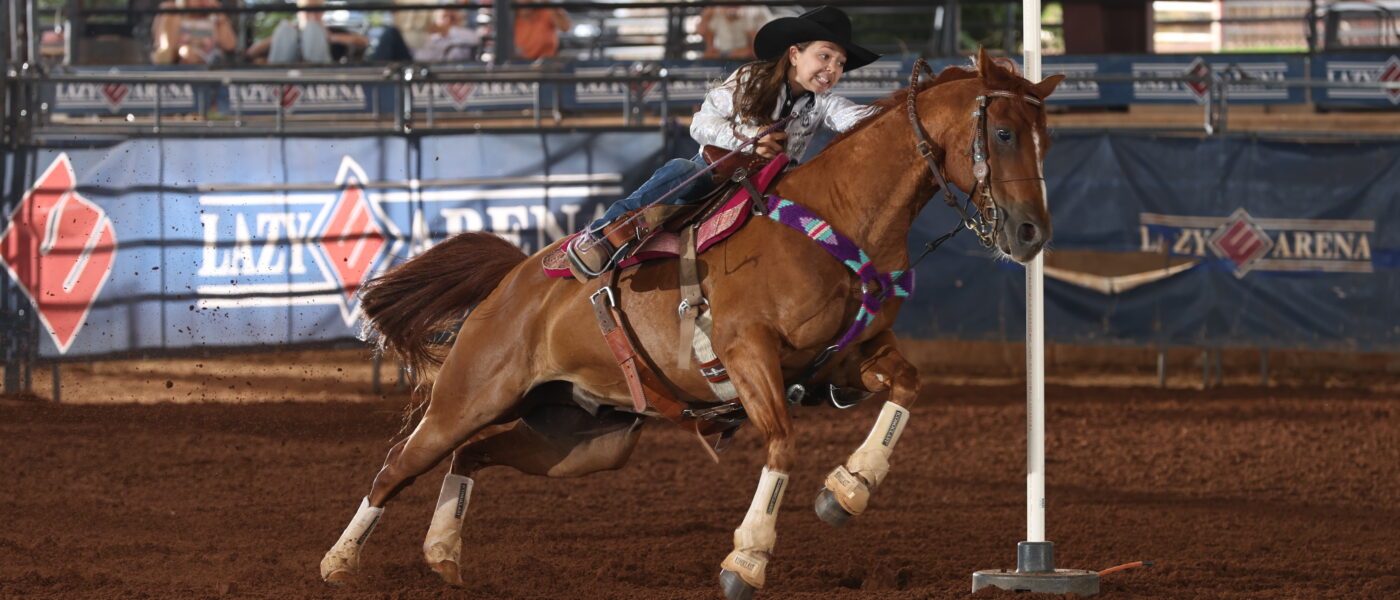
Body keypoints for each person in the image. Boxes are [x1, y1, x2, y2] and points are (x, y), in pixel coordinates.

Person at [565, 5, 880, 279]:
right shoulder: (750, 78)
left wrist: (904, 109)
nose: (832, 69)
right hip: (720, 174)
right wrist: (749, 143)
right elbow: (702, 123)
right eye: (825, 56)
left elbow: (858, 118)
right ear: (795, 54)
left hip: (773, 189)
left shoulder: (825, 105)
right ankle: (600, 235)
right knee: (683, 172)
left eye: (840, 63)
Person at [245, 0, 369, 64]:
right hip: (285, 72)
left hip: (320, 75)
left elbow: (363, 42)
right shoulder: (289, 32)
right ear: (300, 12)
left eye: (317, 11)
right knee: (285, 28)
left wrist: (331, 37)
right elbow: (251, 53)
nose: (312, 15)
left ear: (323, 13)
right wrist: (277, 37)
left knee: (312, 29)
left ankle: (312, 69)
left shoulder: (334, 31)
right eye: (308, 10)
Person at [150, 0, 238, 65]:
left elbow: (230, 45)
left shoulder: (215, 17)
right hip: (178, 61)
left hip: (210, 63)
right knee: (185, 52)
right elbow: (166, 49)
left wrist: (219, 14)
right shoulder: (172, 12)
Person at [697, 1, 773, 60]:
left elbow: (765, 42)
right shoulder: (717, 9)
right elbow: (702, 31)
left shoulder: (758, 9)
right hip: (723, 57)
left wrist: (751, 50)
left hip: (749, 59)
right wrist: (710, 49)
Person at [413, 8, 480, 62]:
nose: (447, 20)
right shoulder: (428, 39)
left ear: (460, 19)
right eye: (444, 17)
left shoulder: (468, 35)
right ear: (436, 20)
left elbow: (475, 40)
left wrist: (448, 30)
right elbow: (420, 58)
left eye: (452, 18)